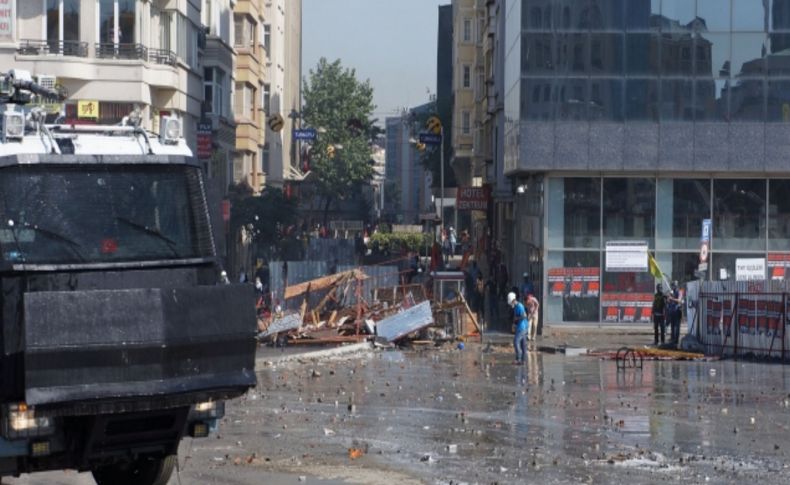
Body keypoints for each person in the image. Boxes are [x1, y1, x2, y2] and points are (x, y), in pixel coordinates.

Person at [508, 292, 529, 364]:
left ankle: (518, 358)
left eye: (511, 302)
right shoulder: (516, 307)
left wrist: (517, 319)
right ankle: (523, 360)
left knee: (516, 341)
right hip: (521, 327)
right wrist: (514, 323)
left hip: (522, 327)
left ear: (513, 300)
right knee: (523, 344)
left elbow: (524, 316)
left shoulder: (520, 306)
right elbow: (516, 317)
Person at [667, 281, 683, 345]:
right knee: (672, 326)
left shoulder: (679, 292)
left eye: (673, 285)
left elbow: (679, 300)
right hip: (672, 311)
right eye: (672, 286)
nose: (672, 287)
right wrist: (668, 298)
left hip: (677, 311)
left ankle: (676, 340)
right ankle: (672, 338)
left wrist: (672, 298)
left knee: (677, 327)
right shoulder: (672, 292)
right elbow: (669, 301)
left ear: (676, 285)